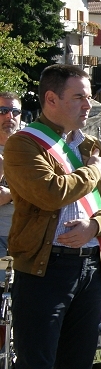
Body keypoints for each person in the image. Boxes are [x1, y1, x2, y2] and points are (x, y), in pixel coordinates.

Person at [3, 64, 101, 369]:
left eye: (89, 97)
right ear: (51, 99)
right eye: (78, 97)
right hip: (44, 271)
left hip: (89, 268)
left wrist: (95, 225)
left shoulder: (92, 146)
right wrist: (95, 169)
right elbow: (51, 193)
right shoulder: (22, 145)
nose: (88, 106)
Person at [0, 92, 21, 281]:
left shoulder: (32, 150)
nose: (9, 116)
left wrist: (12, 194)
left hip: (26, 235)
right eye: (3, 110)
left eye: (15, 111)